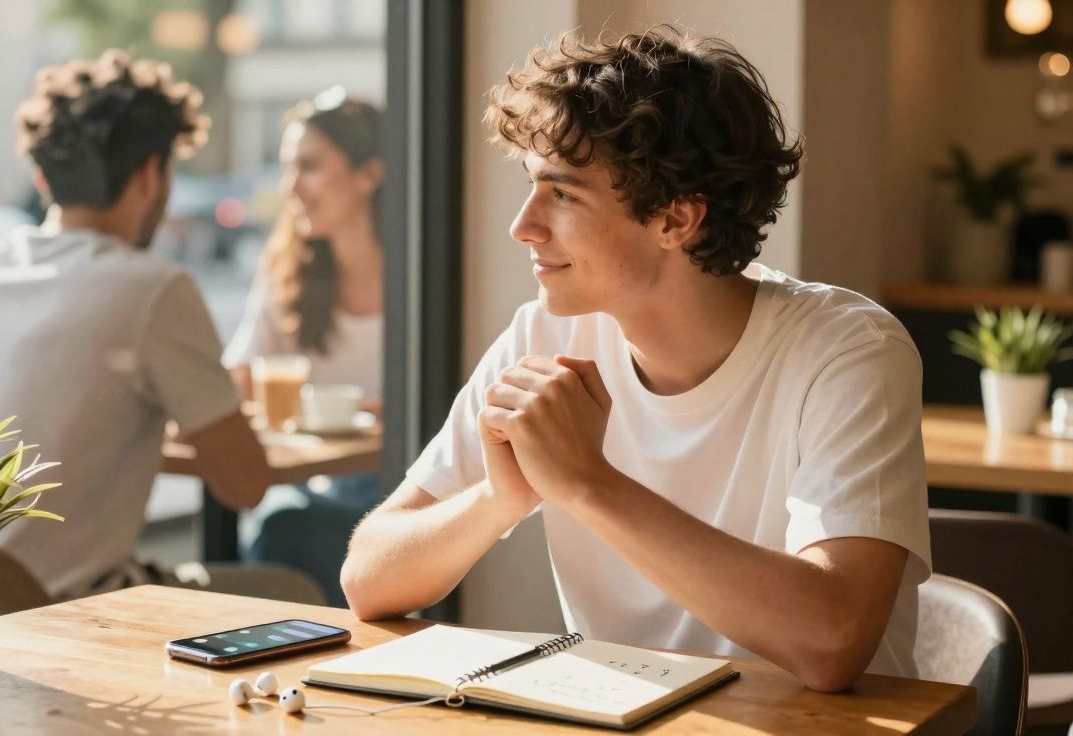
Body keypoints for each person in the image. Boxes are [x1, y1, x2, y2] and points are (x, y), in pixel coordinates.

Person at [340, 28, 931, 693]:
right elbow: (368, 579)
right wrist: (499, 497)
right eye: (533, 186)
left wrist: (586, 483)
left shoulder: (848, 351)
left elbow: (832, 641)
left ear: (676, 220)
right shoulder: (545, 334)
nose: (523, 226)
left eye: (563, 194)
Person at [0, 50, 276, 602]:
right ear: (151, 174)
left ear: (43, 176)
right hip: (70, 615)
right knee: (292, 586)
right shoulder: (151, 287)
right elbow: (246, 485)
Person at [222, 90, 384, 606]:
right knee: (283, 520)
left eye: (309, 167)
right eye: (288, 167)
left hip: (398, 486)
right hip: (318, 481)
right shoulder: (288, 271)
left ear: (369, 174)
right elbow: (237, 381)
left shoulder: (422, 275)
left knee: (290, 526)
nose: (289, 186)